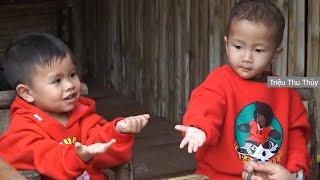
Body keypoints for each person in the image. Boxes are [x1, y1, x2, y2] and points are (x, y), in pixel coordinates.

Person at [175, 0, 311, 179]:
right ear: (226, 44)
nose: (247, 57)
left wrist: (294, 173)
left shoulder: (284, 89)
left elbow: (297, 136)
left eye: (259, 50)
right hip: (218, 176)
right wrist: (199, 128)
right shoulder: (220, 80)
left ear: (275, 53)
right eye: (238, 47)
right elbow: (206, 104)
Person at [0, 32, 149, 180]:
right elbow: (45, 156)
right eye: (57, 81)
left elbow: (104, 151)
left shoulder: (83, 115)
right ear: (26, 92)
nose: (70, 85)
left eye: (72, 74)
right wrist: (77, 156)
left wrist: (118, 131)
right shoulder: (24, 126)